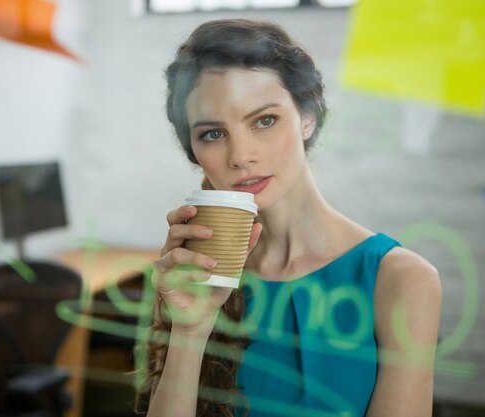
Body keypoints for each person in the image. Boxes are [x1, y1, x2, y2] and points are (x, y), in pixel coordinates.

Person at [134, 19, 442, 417]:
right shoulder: (195, 272)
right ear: (195, 149)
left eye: (264, 120)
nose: (240, 155)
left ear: (308, 118)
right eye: (213, 133)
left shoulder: (402, 280)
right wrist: (191, 330)